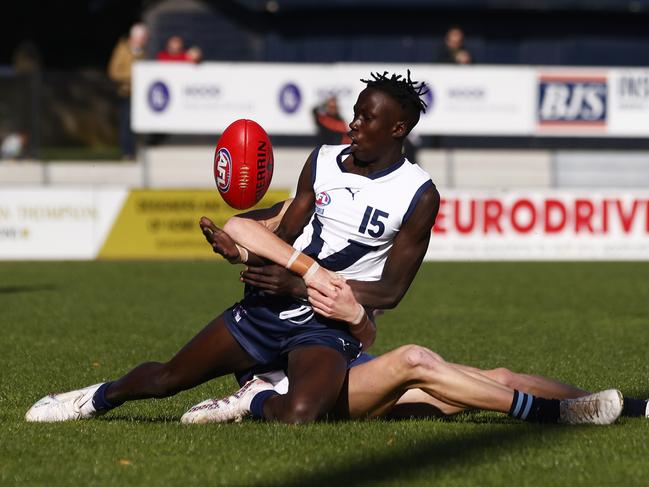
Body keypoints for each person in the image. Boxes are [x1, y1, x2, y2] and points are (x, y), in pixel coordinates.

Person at [25, 71, 441, 424]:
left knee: (302, 414)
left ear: (397, 128)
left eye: (366, 119)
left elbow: (390, 292)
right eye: (355, 114)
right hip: (270, 305)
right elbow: (287, 236)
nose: (352, 124)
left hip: (326, 326)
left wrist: (300, 286)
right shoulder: (324, 160)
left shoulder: (418, 194)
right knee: (168, 379)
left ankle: (253, 396)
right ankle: (93, 398)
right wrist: (241, 253)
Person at [180, 201, 633, 426]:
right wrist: (237, 247)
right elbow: (251, 228)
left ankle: (628, 407)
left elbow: (367, 332)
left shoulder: (360, 232)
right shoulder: (305, 211)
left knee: (500, 375)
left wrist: (352, 312)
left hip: (352, 364)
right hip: (296, 379)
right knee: (416, 361)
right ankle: (255, 397)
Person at [107, 23, 148, 159]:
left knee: (138, 124)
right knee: (126, 123)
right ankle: (126, 152)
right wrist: (132, 77)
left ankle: (136, 151)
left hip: (140, 95)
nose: (145, 40)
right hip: (126, 93)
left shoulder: (142, 52)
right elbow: (114, 71)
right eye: (143, 38)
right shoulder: (122, 50)